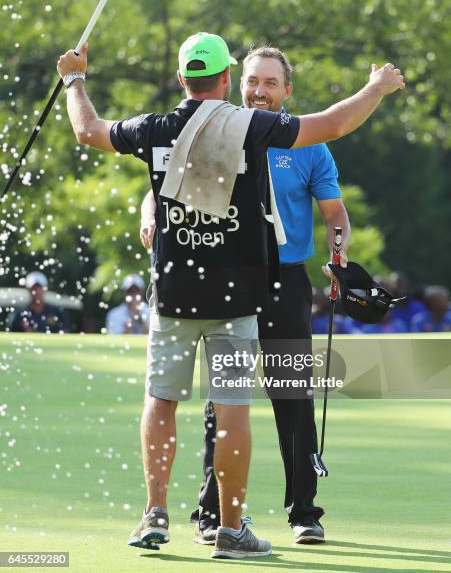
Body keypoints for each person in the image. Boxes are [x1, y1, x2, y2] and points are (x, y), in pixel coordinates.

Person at [57, 32, 404, 559]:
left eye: (270, 82)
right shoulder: (249, 128)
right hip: (235, 296)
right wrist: (376, 87)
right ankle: (226, 524)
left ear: (181, 79)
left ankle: (164, 511)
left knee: (172, 399)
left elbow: (87, 130)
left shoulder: (155, 127)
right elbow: (334, 121)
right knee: (231, 407)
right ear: (227, 81)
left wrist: (74, 79)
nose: (259, 90)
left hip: (185, 291)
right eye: (249, 80)